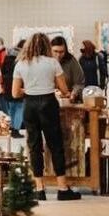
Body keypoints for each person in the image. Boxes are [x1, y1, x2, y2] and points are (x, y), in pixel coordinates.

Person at [12, 33, 81, 201]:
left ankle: (39, 188)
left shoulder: (21, 64)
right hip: (48, 104)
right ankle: (62, 188)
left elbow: (15, 93)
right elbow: (64, 90)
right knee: (55, 145)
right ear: (46, 46)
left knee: (34, 146)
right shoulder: (53, 63)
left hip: (29, 106)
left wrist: (29, 89)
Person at [0, 41, 24, 137]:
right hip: (18, 85)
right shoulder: (21, 59)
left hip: (8, 86)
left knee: (11, 109)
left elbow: (2, 71)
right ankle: (16, 129)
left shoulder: (7, 56)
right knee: (19, 108)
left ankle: (10, 127)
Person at [50, 36, 85, 101]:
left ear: (65, 51)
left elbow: (79, 82)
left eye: (61, 52)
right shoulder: (45, 61)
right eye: (55, 51)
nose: (58, 55)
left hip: (67, 99)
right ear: (50, 50)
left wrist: (74, 93)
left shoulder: (71, 61)